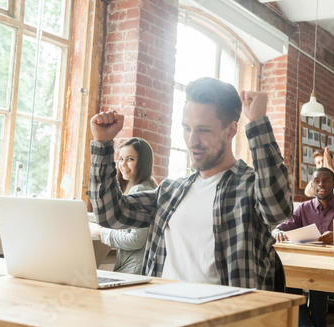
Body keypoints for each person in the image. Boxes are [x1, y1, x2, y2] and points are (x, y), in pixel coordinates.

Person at [89, 77, 293, 290]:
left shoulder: (250, 187)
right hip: (161, 312)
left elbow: (277, 210)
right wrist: (103, 144)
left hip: (224, 317)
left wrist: (258, 123)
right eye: (187, 128)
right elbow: (110, 214)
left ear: (231, 130)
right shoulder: (170, 192)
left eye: (203, 130)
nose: (192, 140)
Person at [273, 167, 334, 327]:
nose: (321, 184)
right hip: (307, 266)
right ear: (312, 185)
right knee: (288, 282)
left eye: (326, 180)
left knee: (317, 285)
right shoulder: (303, 208)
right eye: (316, 181)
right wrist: (277, 231)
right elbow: (284, 227)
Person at [89, 137, 157, 274]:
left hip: (134, 269)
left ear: (143, 163)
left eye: (130, 159)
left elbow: (136, 240)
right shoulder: (146, 186)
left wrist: (102, 233)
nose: (123, 164)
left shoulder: (140, 190)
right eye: (121, 159)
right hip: (134, 266)